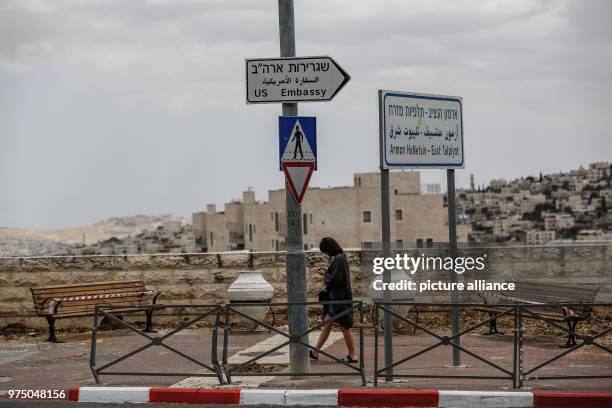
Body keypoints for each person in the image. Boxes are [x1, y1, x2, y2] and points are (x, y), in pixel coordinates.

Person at [310, 237, 358, 363]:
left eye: (325, 251)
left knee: (344, 327)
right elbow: (336, 275)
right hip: (336, 299)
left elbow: (335, 280)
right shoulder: (339, 258)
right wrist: (326, 272)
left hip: (339, 300)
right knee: (327, 324)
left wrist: (325, 275)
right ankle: (315, 352)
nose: (325, 254)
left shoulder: (339, 258)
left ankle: (353, 355)